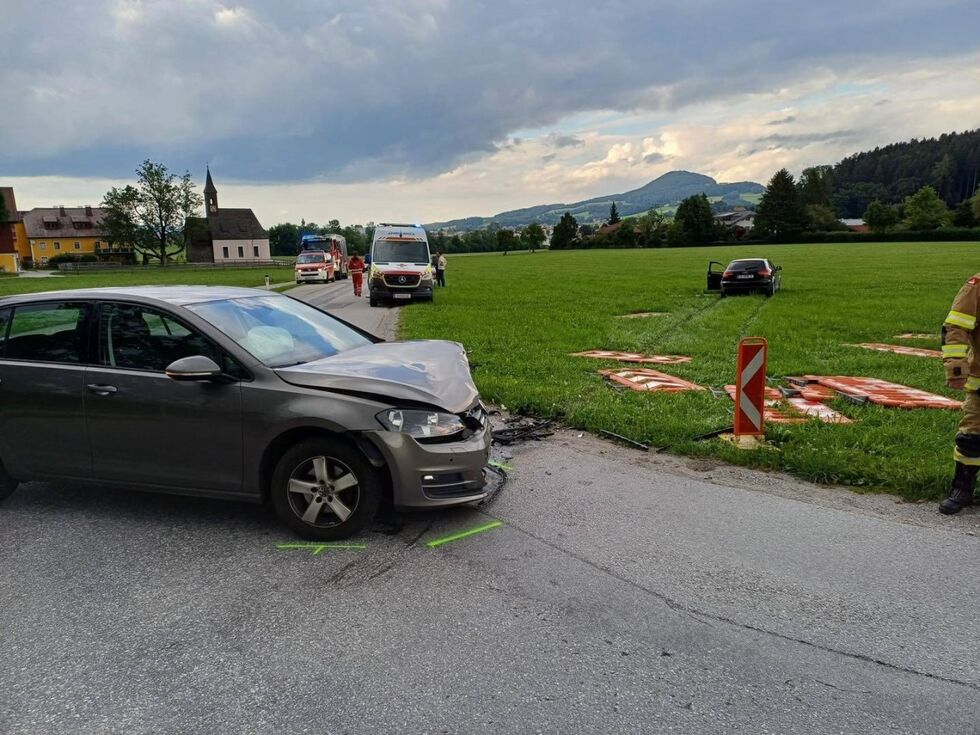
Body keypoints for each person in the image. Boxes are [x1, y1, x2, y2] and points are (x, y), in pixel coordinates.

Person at [940, 272, 980, 514]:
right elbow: (955, 326)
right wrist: (956, 369)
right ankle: (963, 489)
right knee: (972, 437)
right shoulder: (976, 287)